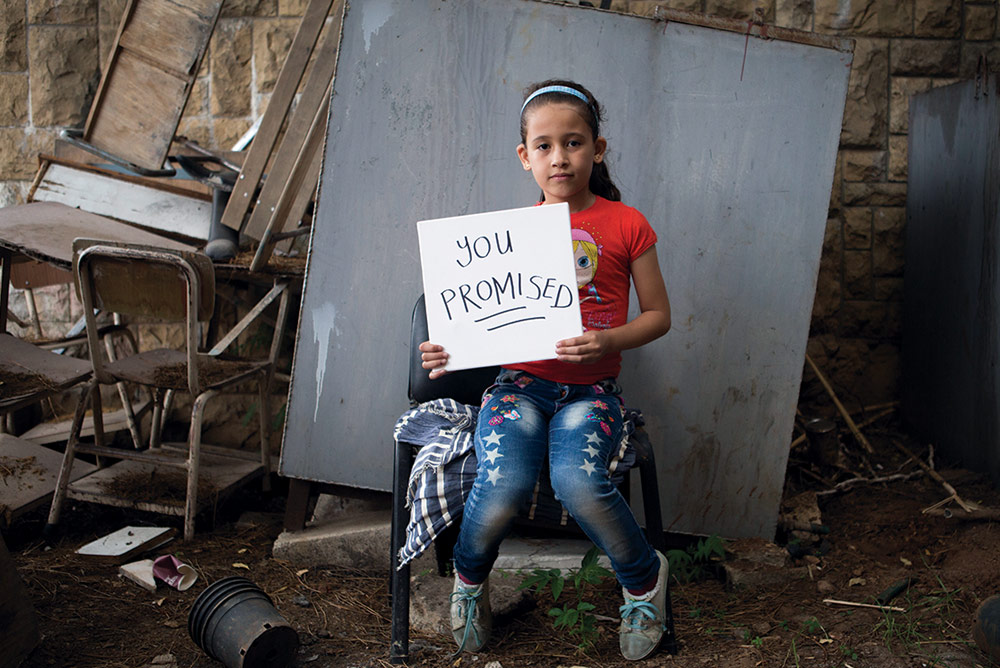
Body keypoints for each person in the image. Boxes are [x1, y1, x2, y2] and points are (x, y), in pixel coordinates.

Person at [419, 79, 672, 661]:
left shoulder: (627, 224)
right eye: (544, 146)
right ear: (525, 155)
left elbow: (658, 316)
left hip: (592, 394)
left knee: (578, 482)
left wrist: (608, 337)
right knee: (504, 481)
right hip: (519, 390)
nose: (560, 157)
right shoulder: (503, 236)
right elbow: (475, 323)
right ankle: (469, 583)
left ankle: (642, 580)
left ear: (598, 149)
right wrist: (445, 351)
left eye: (574, 143)